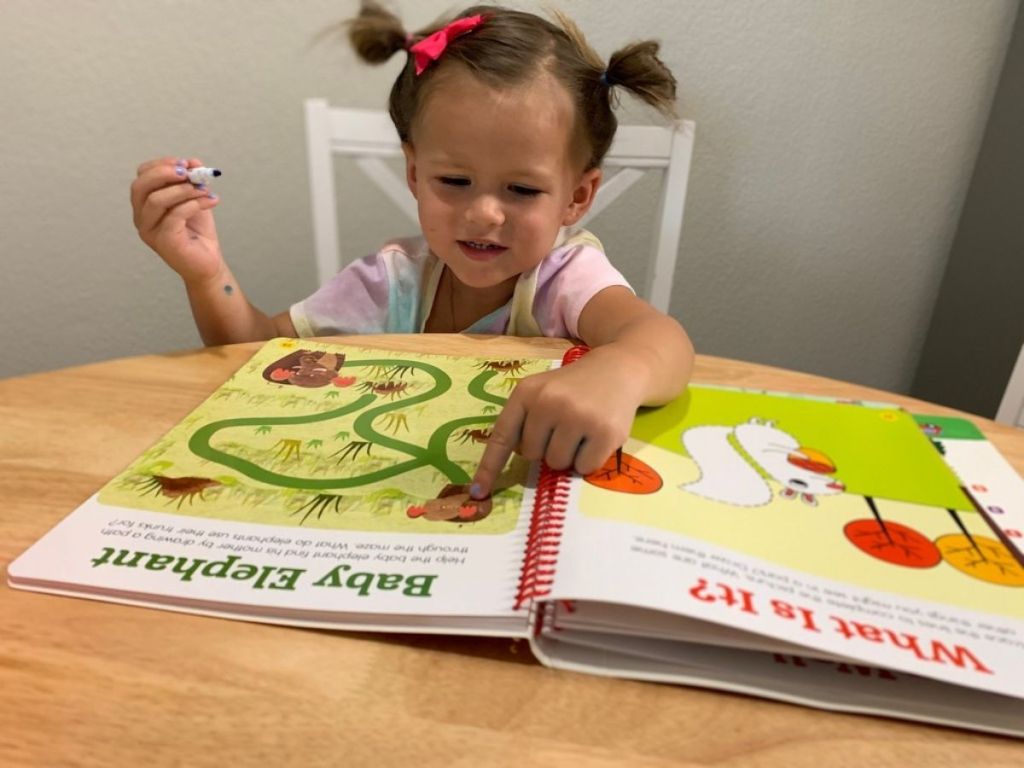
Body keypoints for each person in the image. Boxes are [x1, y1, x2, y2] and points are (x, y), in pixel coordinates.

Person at [130, 2, 695, 500]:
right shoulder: (392, 281)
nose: (483, 214)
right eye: (454, 181)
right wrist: (207, 274)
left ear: (577, 196)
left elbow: (662, 342)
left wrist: (618, 371)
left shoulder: (564, 276)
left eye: (522, 190)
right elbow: (256, 356)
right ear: (415, 171)